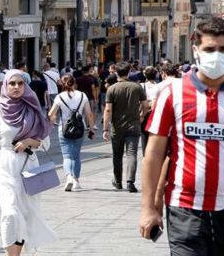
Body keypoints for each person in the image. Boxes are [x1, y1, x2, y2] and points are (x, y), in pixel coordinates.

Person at [140, 17, 224, 255]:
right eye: (209, 49)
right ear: (196, 51)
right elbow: (153, 155)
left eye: (223, 49)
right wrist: (148, 208)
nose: (216, 55)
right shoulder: (172, 94)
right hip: (184, 210)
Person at [0, 70, 57, 255]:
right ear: (5, 86)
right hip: (4, 167)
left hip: (29, 167)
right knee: (10, 213)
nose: (16, 87)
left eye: (20, 84)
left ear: (25, 86)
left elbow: (45, 142)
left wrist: (29, 141)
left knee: (25, 215)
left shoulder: (34, 111)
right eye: (12, 83)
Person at [102, 61, 148, 193]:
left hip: (117, 128)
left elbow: (108, 110)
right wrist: (142, 116)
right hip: (134, 126)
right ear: (129, 72)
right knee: (132, 154)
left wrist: (105, 129)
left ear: (116, 72)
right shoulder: (137, 87)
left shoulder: (112, 89)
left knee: (117, 155)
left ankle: (118, 181)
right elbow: (145, 105)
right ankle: (130, 182)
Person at [48, 74, 95, 191]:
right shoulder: (82, 95)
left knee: (67, 156)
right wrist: (92, 128)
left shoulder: (59, 97)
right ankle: (76, 181)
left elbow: (50, 114)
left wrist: (53, 121)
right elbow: (89, 113)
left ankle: (68, 177)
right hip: (80, 128)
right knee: (76, 155)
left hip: (64, 129)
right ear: (74, 83)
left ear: (63, 84)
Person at [139, 66, 159, 157]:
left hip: (144, 113)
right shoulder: (159, 86)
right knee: (154, 135)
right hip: (155, 114)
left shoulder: (141, 86)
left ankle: (145, 156)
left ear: (145, 75)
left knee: (144, 135)